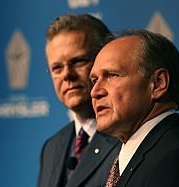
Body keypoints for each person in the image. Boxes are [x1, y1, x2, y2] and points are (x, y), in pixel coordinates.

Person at [90, 29, 179, 187]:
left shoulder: (178, 160)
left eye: (112, 75)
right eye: (94, 80)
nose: (95, 92)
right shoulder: (133, 156)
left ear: (158, 84)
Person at [38, 14, 120, 187]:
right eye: (57, 68)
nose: (67, 74)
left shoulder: (127, 137)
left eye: (78, 61)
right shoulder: (51, 148)